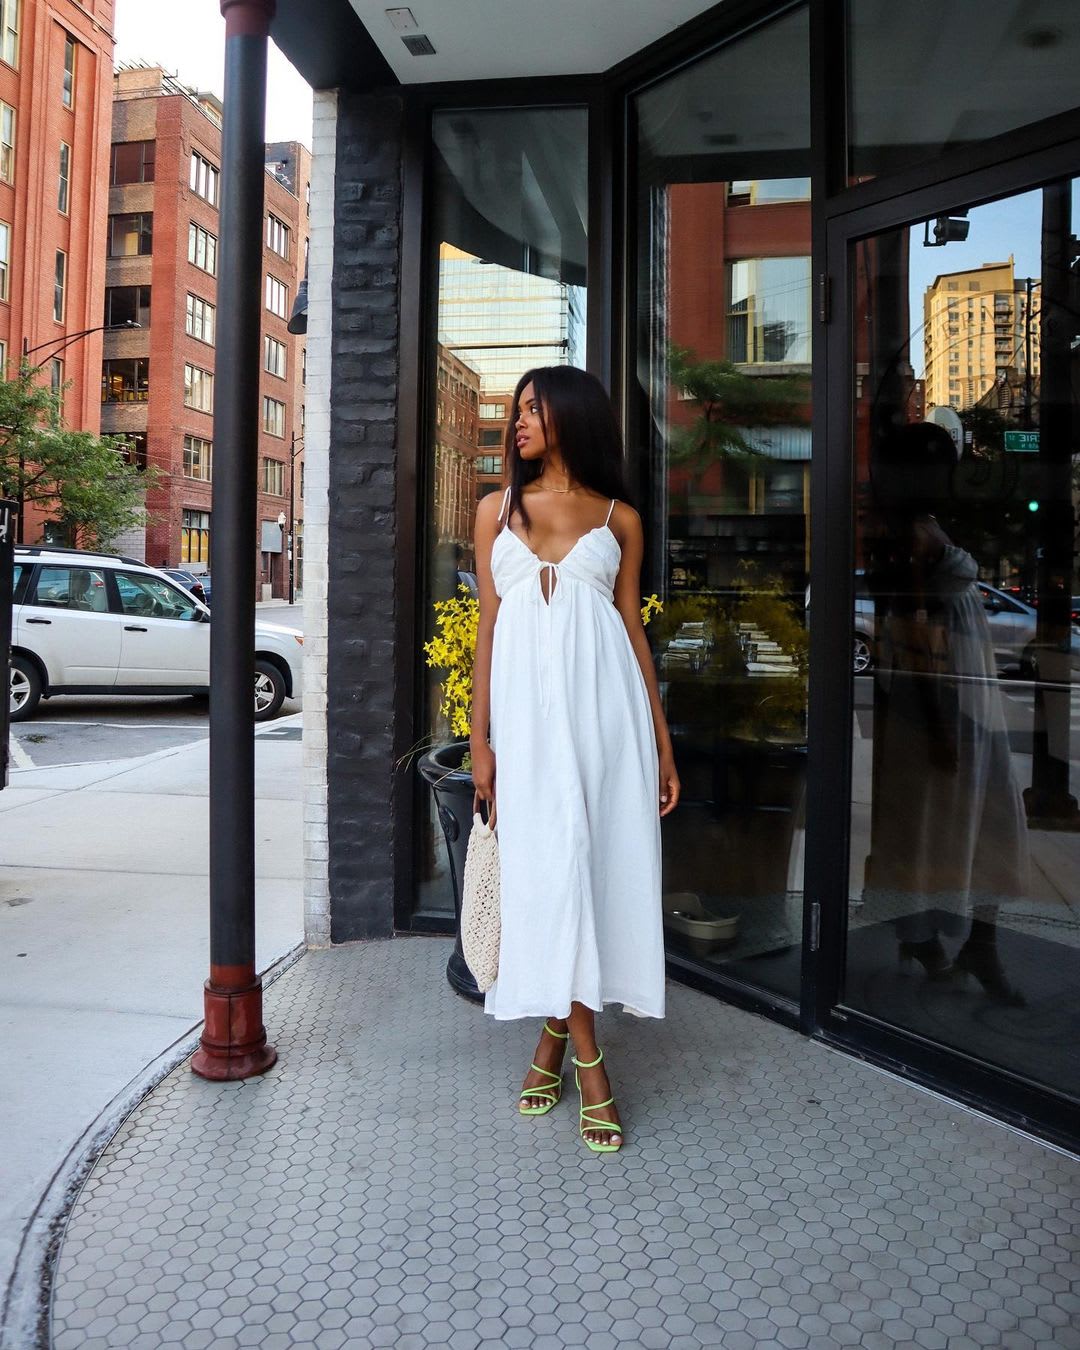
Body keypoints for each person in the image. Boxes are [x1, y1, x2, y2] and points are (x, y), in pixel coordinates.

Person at [470, 366, 680, 1153]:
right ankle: (591, 1068)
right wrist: (480, 740)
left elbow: (632, 631)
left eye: (532, 407)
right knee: (548, 875)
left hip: (606, 722)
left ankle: (556, 1039)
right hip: (525, 728)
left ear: (570, 415)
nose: (518, 421)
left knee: (591, 873)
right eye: (517, 407)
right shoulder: (497, 509)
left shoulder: (619, 517)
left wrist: (661, 743)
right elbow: (489, 630)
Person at [863, 421, 1029, 1005]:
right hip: (946, 702)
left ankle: (968, 942)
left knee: (992, 820)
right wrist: (938, 727)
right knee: (938, 827)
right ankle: (930, 940)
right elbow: (914, 638)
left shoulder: (920, 526)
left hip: (963, 694)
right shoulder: (909, 535)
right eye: (941, 463)